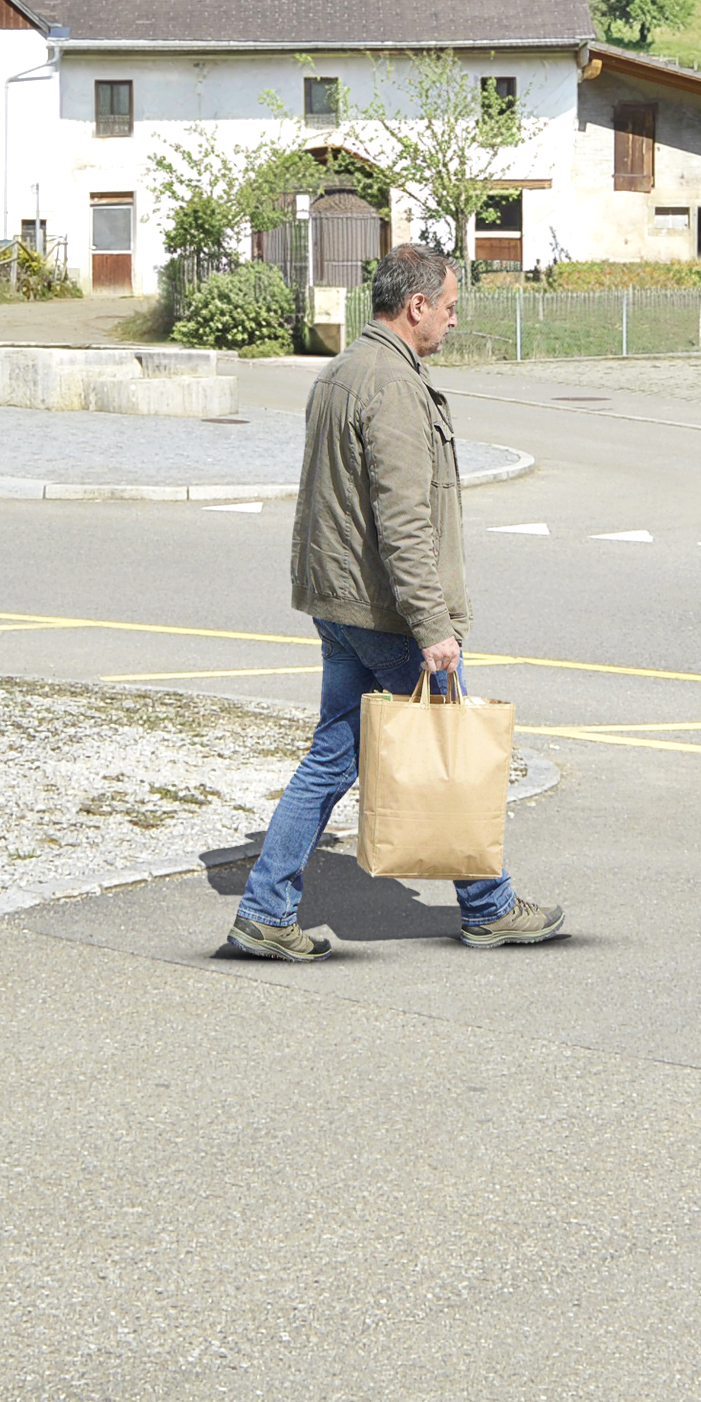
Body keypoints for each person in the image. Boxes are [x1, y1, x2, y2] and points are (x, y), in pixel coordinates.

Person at [225, 242, 563, 959]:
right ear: (415, 307)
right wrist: (433, 627)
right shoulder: (394, 386)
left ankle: (264, 908)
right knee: (450, 753)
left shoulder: (343, 369)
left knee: (332, 758)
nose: (451, 322)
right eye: (447, 308)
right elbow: (403, 520)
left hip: (339, 600)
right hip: (388, 611)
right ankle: (489, 905)